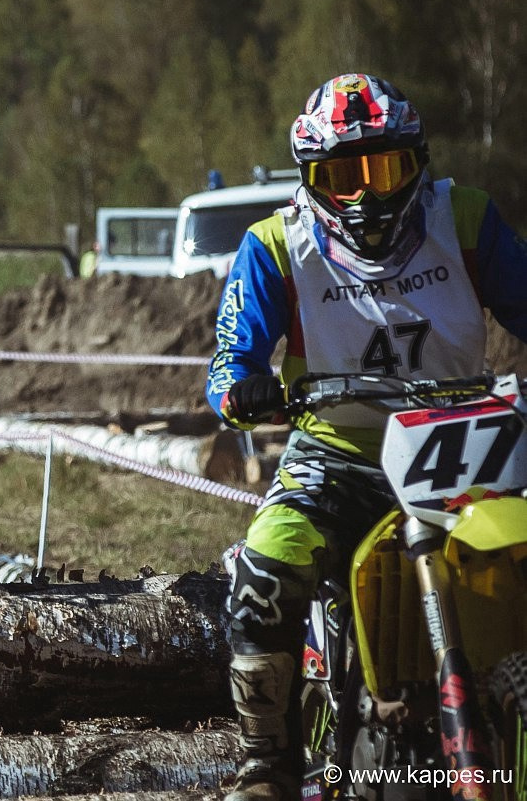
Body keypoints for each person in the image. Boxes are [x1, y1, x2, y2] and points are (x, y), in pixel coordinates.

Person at [205, 73, 527, 801]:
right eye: (341, 177)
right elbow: (228, 365)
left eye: (383, 171)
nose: (364, 196)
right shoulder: (275, 245)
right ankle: (267, 764)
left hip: (466, 443)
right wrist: (243, 392)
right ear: (310, 179)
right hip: (338, 454)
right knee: (265, 567)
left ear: (418, 164)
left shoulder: (467, 218)